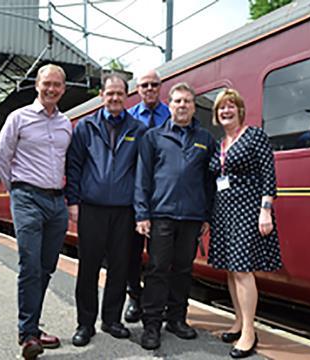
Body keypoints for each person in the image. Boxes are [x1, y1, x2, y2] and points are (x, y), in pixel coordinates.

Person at [0, 64, 71, 360]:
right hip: (27, 197)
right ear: (37, 85)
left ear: (63, 89)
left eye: (57, 85)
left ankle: (33, 327)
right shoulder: (19, 118)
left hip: (56, 203)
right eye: (46, 83)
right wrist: (18, 192)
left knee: (47, 266)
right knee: (29, 264)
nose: (51, 89)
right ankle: (27, 335)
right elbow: (3, 158)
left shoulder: (65, 124)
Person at [65, 74, 147, 347]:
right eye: (110, 93)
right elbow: (74, 166)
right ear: (102, 95)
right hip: (92, 209)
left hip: (124, 211)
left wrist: (140, 210)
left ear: (127, 96)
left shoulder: (138, 129)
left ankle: (111, 320)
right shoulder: (85, 127)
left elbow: (141, 173)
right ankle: (84, 324)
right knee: (88, 268)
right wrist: (73, 202)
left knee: (120, 268)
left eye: (119, 94)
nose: (114, 98)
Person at [134, 82, 216, 350]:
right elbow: (142, 178)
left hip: (191, 217)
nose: (182, 105)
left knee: (183, 270)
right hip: (161, 216)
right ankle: (152, 325)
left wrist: (207, 215)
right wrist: (142, 214)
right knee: (158, 270)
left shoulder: (205, 139)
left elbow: (209, 180)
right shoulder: (153, 137)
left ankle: (177, 319)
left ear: (194, 107)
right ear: (169, 105)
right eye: (178, 101)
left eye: (187, 102)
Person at [208, 88, 282, 359]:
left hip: (248, 211)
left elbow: (268, 175)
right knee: (230, 269)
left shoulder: (254, 136)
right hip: (224, 212)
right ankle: (238, 322)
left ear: (240, 109)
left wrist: (265, 210)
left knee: (242, 270)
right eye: (220, 108)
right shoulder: (220, 144)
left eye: (230, 106)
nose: (225, 111)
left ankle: (250, 331)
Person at [124, 69, 170, 323]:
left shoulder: (171, 117)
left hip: (163, 196)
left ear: (160, 87)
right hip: (134, 196)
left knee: (159, 255)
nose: (150, 88)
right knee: (132, 252)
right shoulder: (129, 118)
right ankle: (134, 297)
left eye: (154, 84)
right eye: (145, 85)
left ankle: (154, 302)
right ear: (138, 90)